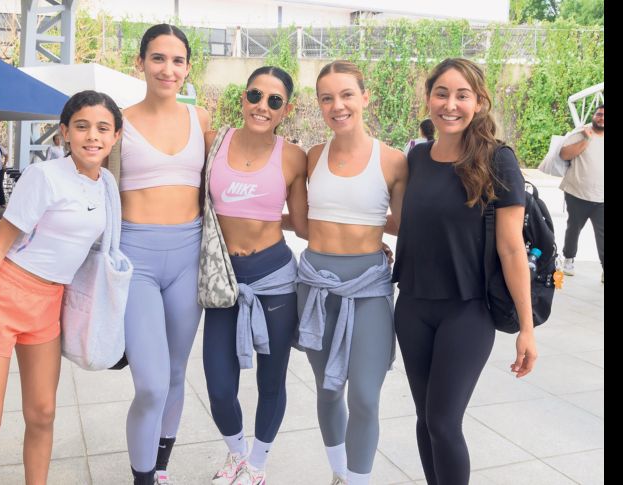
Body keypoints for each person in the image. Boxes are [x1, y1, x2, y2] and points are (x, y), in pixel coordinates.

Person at [0, 91, 123, 485]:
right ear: (64, 133)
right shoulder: (44, 176)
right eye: (81, 126)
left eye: (102, 128)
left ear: (115, 137)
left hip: (48, 305)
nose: (92, 136)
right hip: (4, 297)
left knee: (42, 414)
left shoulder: (106, 184)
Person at [391, 58, 537, 485]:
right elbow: (404, 222)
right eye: (442, 93)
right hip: (414, 306)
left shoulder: (497, 159)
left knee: (443, 422)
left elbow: (511, 249)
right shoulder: (416, 158)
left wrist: (527, 328)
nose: (450, 104)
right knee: (424, 419)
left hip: (467, 311)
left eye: (462, 95)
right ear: (428, 97)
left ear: (479, 102)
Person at [296, 60, 407, 485]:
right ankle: (340, 475)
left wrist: (372, 234)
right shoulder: (312, 157)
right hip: (316, 285)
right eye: (327, 98)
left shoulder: (394, 161)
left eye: (346, 95)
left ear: (365, 97)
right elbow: (306, 220)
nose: (337, 105)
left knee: (364, 395)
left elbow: (405, 223)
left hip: (368, 288)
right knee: (328, 390)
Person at [203, 66, 308, 485]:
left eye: (274, 100)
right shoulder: (214, 143)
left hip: (274, 279)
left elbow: (302, 225)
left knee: (271, 380)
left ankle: (257, 466)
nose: (262, 106)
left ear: (287, 109)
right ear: (243, 98)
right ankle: (238, 456)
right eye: (255, 95)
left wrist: (367, 242)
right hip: (224, 280)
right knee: (219, 385)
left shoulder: (293, 157)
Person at [117, 24, 211, 485]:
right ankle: (141, 478)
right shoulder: (117, 120)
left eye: (177, 60)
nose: (167, 69)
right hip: (135, 258)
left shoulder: (203, 120)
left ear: (187, 67)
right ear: (140, 62)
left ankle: (159, 470)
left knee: (175, 374)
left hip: (189, 254)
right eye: (158, 58)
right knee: (150, 383)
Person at [558, 104, 604, 282]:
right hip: (577, 192)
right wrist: (586, 139)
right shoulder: (580, 133)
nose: (601, 118)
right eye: (599, 114)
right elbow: (564, 155)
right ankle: (568, 260)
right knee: (574, 228)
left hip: (601, 197)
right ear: (594, 116)